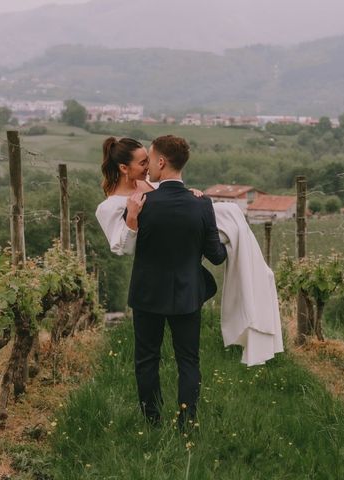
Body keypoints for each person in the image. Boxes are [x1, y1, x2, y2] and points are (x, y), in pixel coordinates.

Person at [126, 135, 227, 429]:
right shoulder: (201, 205)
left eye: (151, 160)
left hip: (146, 294)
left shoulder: (142, 204)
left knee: (146, 359)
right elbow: (217, 256)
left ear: (161, 162)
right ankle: (186, 423)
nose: (148, 169)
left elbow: (128, 241)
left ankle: (152, 422)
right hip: (187, 294)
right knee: (188, 360)